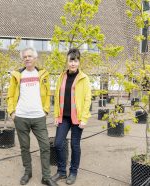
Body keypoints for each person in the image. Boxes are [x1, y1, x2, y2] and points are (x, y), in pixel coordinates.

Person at [7, 47, 58, 186]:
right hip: (21, 117)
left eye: (30, 56)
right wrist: (12, 112)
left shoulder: (43, 74)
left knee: (45, 146)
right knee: (25, 147)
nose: (27, 58)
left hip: (38, 117)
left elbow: (48, 94)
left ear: (35, 58)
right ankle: (27, 172)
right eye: (25, 57)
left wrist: (45, 111)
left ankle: (46, 177)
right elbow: (10, 95)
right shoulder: (17, 75)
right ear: (23, 59)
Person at [51, 48, 91, 185]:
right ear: (67, 62)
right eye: (70, 61)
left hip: (77, 118)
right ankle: (61, 171)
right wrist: (56, 115)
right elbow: (56, 97)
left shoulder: (84, 78)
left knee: (75, 145)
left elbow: (87, 99)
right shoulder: (61, 77)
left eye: (75, 61)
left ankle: (73, 172)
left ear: (79, 62)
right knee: (58, 143)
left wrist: (84, 118)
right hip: (64, 117)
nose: (73, 64)